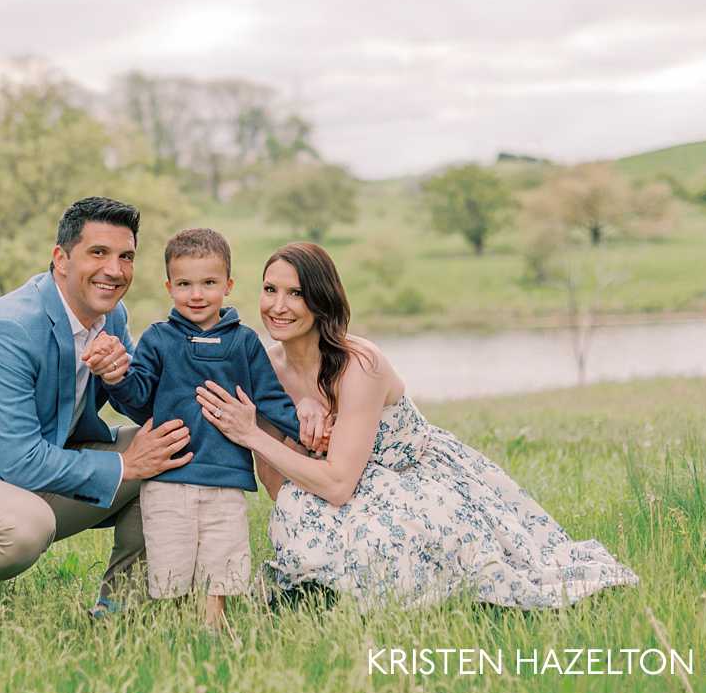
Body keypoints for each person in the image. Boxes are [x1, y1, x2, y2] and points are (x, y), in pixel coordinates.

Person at [194, 241, 640, 609]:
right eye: (270, 290)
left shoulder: (358, 363)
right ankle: (324, 593)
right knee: (294, 508)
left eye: (295, 293)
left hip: (416, 478)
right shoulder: (264, 369)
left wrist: (251, 433)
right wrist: (275, 428)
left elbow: (337, 485)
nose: (278, 306)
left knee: (401, 543)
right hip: (335, 486)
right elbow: (278, 488)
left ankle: (374, 591)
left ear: (321, 300)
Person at [0, 196, 194, 622]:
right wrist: (126, 467)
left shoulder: (113, 316)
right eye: (98, 253)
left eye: (126, 257)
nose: (115, 270)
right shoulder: (9, 331)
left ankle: (118, 611)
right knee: (25, 528)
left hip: (39, 465)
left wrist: (119, 378)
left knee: (171, 451)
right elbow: (19, 462)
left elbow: (145, 407)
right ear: (61, 259)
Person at [105, 228, 304, 630]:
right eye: (185, 284)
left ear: (228, 285)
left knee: (223, 558)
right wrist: (116, 379)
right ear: (169, 286)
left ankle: (213, 630)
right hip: (169, 477)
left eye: (209, 283)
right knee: (170, 561)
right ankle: (177, 627)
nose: (197, 295)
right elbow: (138, 398)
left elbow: (270, 398)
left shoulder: (245, 343)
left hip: (225, 478)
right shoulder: (159, 339)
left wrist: (307, 429)